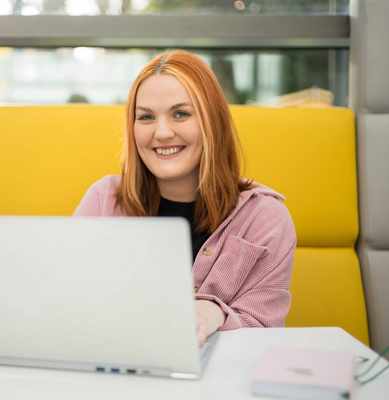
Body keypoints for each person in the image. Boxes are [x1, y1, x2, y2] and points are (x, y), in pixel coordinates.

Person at [74, 50, 296, 346]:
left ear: (212, 123)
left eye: (181, 114)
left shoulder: (265, 218)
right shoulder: (103, 201)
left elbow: (264, 328)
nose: (162, 132)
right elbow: (71, 305)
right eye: (146, 117)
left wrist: (214, 312)